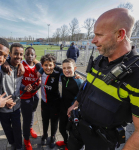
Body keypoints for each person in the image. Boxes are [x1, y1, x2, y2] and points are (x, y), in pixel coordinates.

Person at [67, 8, 139, 150]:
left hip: (102, 141)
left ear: (120, 35)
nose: (93, 40)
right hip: (81, 127)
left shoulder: (136, 74)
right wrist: (76, 103)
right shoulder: (101, 58)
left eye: (99, 35)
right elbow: (88, 84)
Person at [0, 43, 32, 150]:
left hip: (16, 106)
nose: (18, 56)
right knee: (7, 129)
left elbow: (18, 85)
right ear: (10, 54)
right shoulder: (1, 68)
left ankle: (18, 147)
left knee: (17, 128)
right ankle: (12, 143)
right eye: (16, 53)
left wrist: (24, 87)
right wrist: (4, 101)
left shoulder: (20, 68)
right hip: (3, 108)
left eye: (21, 54)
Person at [56, 58, 83, 150]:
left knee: (72, 131)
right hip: (63, 108)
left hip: (73, 111)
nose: (66, 70)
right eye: (64, 68)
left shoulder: (79, 81)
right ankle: (65, 141)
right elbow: (51, 66)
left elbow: (83, 97)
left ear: (75, 68)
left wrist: (76, 107)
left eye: (69, 68)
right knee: (62, 129)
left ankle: (70, 146)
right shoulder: (62, 77)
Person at [39, 54, 62, 148]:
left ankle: (53, 136)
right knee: (44, 120)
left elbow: (68, 72)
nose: (48, 67)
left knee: (54, 121)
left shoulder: (58, 74)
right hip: (44, 102)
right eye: (45, 65)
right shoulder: (41, 74)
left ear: (54, 65)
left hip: (55, 103)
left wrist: (76, 76)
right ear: (42, 66)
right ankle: (45, 135)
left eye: (50, 65)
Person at [20, 46, 42, 150]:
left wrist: (39, 85)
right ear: (24, 56)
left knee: (32, 112)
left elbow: (48, 70)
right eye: (27, 54)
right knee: (26, 117)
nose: (29, 56)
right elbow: (15, 82)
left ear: (35, 56)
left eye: (32, 54)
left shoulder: (38, 67)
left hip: (35, 95)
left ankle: (30, 128)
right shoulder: (21, 65)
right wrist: (24, 87)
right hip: (25, 96)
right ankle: (26, 139)